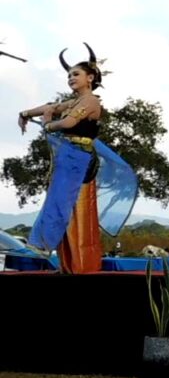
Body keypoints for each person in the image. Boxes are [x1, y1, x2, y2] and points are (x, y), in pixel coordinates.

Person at [19, 43, 137, 273]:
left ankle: (78, 264)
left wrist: (47, 124)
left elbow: (68, 122)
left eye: (75, 74)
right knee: (63, 205)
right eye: (69, 75)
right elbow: (51, 107)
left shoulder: (91, 101)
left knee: (73, 207)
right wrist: (24, 113)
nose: (71, 78)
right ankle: (67, 263)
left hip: (78, 159)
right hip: (68, 157)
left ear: (90, 78)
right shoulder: (74, 101)